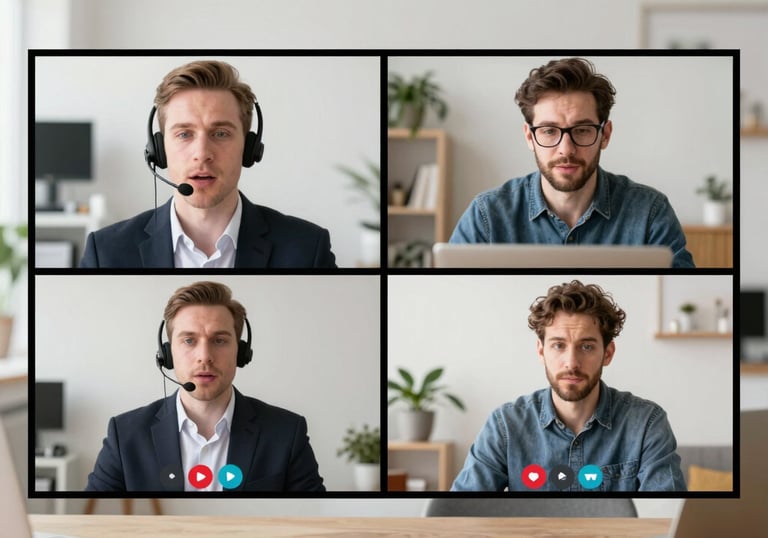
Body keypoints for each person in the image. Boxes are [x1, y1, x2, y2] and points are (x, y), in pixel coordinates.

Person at [80, 60, 336, 268]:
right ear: (159, 149)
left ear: (248, 148)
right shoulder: (105, 252)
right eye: (184, 134)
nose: (202, 154)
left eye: (221, 133)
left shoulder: (308, 248)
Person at [450, 58, 694, 268]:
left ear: (605, 135)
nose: (566, 149)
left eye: (582, 130)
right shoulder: (486, 215)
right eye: (548, 131)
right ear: (529, 137)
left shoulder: (650, 212)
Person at [86, 281, 325, 492]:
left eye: (219, 340)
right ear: (167, 354)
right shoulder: (125, 434)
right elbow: (95, 524)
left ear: (241, 353)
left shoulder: (286, 432)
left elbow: (314, 521)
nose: (205, 356)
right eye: (189, 340)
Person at [451, 280, 686, 492]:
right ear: (541, 351)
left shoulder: (647, 423)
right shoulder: (505, 426)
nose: (572, 363)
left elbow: (667, 514)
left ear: (608, 353)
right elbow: (462, 512)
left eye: (586, 346)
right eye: (558, 345)